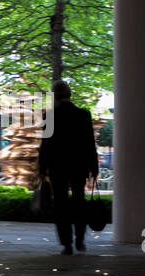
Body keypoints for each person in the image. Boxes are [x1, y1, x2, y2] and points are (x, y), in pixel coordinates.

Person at [37, 80, 99, 255]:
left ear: (54, 96)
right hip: (79, 165)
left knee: (61, 204)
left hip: (58, 166)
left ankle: (67, 243)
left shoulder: (50, 116)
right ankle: (80, 239)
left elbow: (45, 145)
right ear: (69, 94)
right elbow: (89, 143)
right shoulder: (83, 115)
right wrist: (94, 167)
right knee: (79, 200)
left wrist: (42, 169)